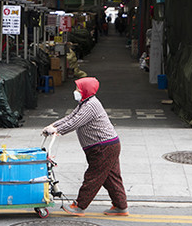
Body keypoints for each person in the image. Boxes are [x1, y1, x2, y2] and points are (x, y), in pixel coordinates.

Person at [42, 77, 128, 216]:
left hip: (103, 147)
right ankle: (121, 206)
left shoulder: (91, 105)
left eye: (78, 89)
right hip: (108, 145)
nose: (75, 91)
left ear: (85, 90)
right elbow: (70, 117)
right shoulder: (85, 103)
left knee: (93, 177)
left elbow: (75, 122)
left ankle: (79, 206)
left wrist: (58, 130)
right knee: (111, 177)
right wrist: (53, 126)